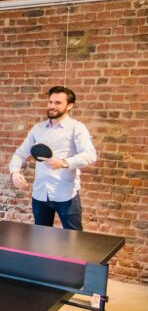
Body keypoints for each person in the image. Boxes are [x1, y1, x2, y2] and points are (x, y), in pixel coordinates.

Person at [9, 86, 97, 231]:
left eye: (58, 103)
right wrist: (14, 172)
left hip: (66, 195)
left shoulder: (77, 128)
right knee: (41, 240)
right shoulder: (38, 128)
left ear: (69, 106)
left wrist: (64, 162)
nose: (52, 106)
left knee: (74, 240)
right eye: (50, 102)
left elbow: (90, 155)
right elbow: (20, 153)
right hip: (40, 194)